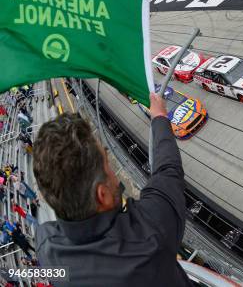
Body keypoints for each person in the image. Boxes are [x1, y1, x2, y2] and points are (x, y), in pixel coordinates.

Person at [33, 93, 192, 286]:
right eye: (107, 163)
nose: (113, 173)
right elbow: (168, 170)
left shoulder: (47, 245)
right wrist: (159, 116)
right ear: (103, 195)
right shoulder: (149, 236)